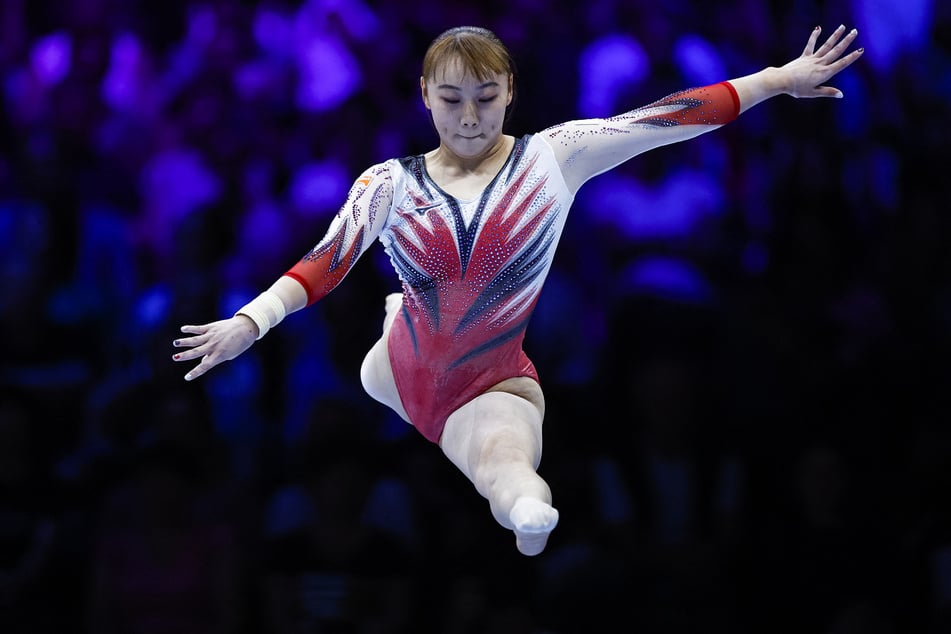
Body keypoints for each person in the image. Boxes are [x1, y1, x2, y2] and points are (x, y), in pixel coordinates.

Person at [172, 24, 863, 556]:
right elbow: (326, 261)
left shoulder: (553, 157)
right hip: (400, 366)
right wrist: (249, 321)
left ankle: (525, 514)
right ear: (424, 95)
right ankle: (393, 332)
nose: (468, 117)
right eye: (450, 100)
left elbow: (665, 118)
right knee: (384, 358)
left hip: (489, 382)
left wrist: (777, 78)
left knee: (504, 466)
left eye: (485, 98)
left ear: (509, 91)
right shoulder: (388, 184)